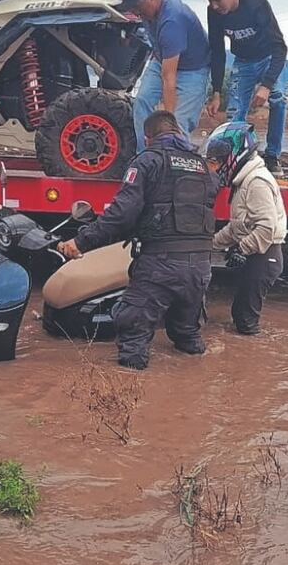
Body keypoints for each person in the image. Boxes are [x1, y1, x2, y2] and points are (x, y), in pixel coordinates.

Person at [57, 110, 220, 370]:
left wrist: (81, 242)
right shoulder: (203, 167)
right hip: (200, 268)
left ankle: (134, 403)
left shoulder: (147, 162)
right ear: (177, 132)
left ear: (147, 137)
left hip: (160, 265)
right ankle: (193, 394)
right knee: (188, 339)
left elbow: (122, 214)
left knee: (133, 346)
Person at [201, 0, 288, 173]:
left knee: (278, 99)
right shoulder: (214, 14)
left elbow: (280, 47)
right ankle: (237, 157)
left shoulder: (256, 4)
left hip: (269, 57)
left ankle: (273, 156)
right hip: (243, 62)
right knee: (234, 112)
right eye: (209, 0)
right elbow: (218, 51)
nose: (214, 6)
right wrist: (215, 92)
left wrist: (266, 85)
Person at [110, 0, 212, 152]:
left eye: (137, 6)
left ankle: (174, 164)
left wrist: (168, 119)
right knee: (142, 102)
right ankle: (145, 158)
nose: (135, 12)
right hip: (161, 59)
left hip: (192, 70)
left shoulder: (172, 21)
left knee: (178, 124)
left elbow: (169, 78)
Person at [205, 122, 288, 335]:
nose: (217, 165)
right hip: (257, 254)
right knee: (239, 313)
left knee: (245, 320)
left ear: (236, 154)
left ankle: (252, 362)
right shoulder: (243, 182)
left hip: (264, 255)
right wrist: (208, 243)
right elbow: (236, 228)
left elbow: (266, 227)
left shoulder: (257, 182)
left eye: (220, 159)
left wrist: (242, 250)